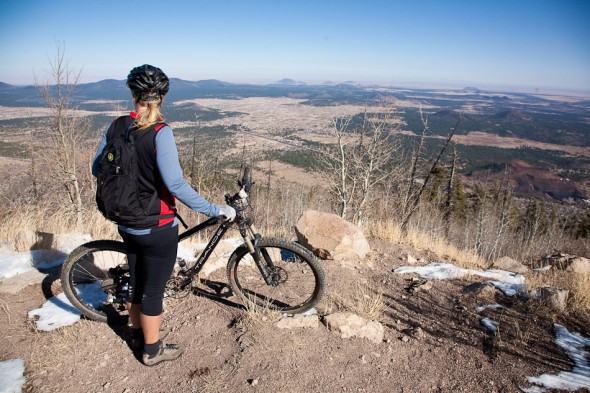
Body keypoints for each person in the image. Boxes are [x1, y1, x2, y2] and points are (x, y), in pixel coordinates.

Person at [92, 64, 235, 366]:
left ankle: (135, 332)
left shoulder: (117, 126)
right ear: (162, 98)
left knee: (136, 281)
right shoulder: (160, 132)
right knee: (153, 290)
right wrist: (215, 209)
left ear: (133, 95)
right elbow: (175, 185)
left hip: (126, 223)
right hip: (157, 226)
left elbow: (97, 168)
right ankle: (152, 350)